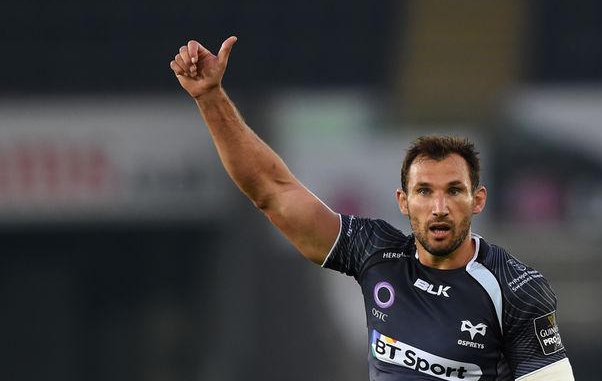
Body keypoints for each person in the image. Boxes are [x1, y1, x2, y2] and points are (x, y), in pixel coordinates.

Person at [170, 37, 575, 381]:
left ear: (478, 199)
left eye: (454, 191)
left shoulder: (515, 288)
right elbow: (273, 192)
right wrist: (210, 97)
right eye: (424, 192)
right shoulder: (377, 254)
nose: (439, 207)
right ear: (403, 201)